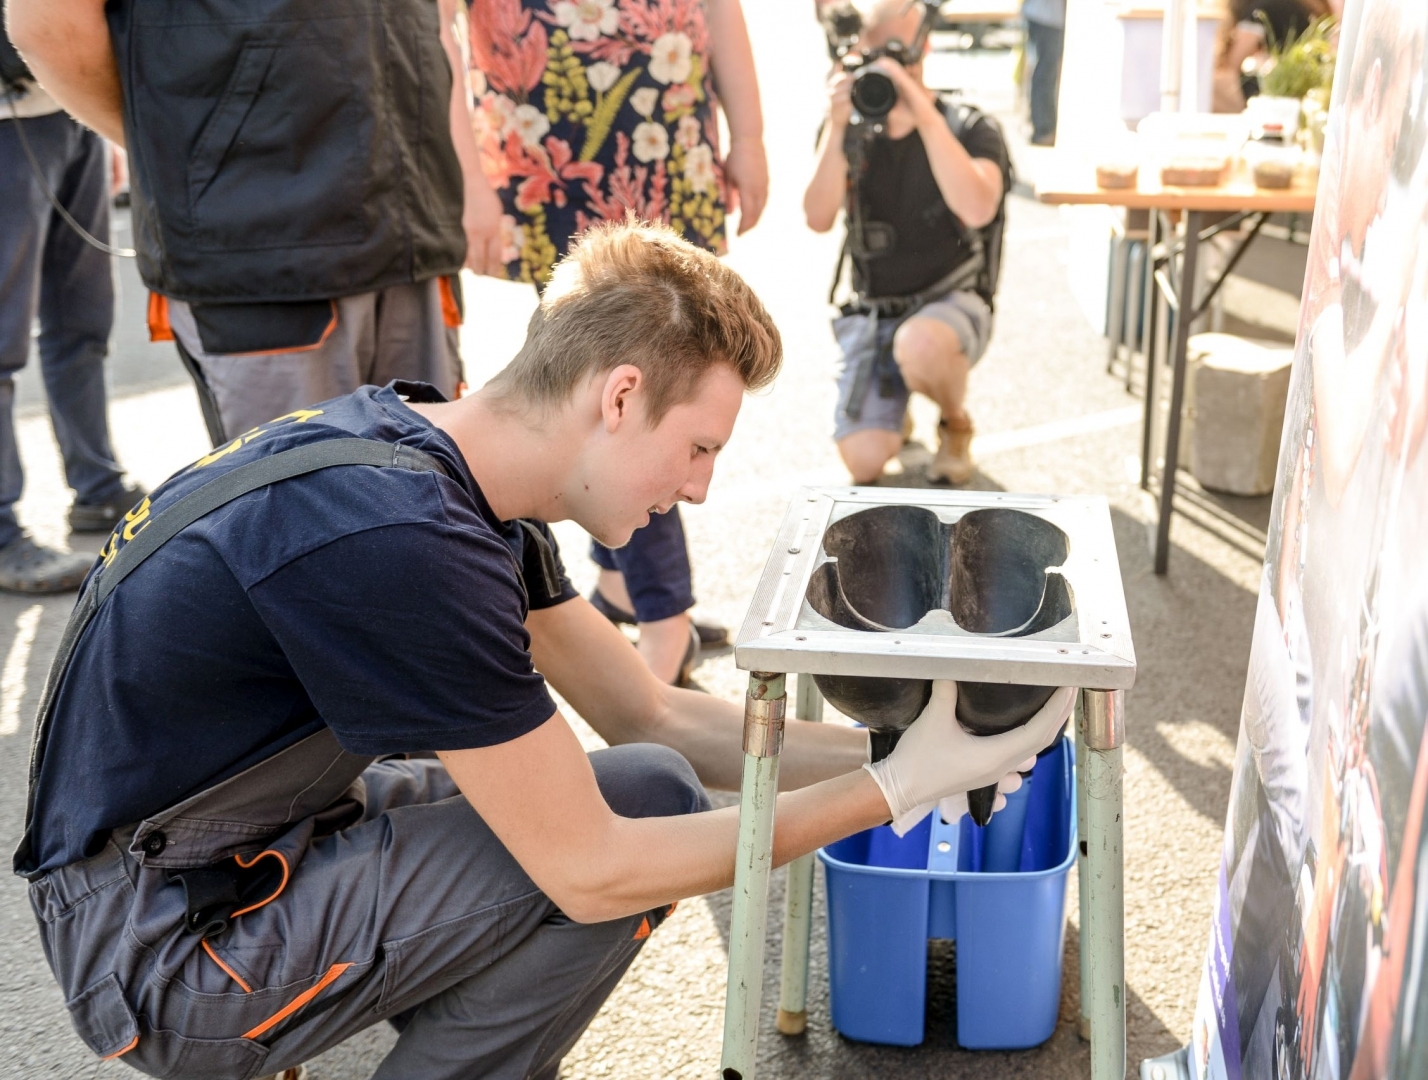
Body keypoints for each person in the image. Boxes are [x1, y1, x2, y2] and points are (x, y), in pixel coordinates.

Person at [12, 221, 1070, 1079]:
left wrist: (911, 750)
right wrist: (892, 794)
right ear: (617, 395)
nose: (698, 487)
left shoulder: (437, 459)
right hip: (161, 947)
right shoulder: (404, 542)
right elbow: (594, 872)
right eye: (698, 446)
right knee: (611, 850)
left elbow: (647, 713)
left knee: (648, 781)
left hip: (221, 848)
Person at [8, 0, 489, 450]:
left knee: (434, 502)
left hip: (413, 229)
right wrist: (172, 147)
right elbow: (48, 24)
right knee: (297, 513)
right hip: (261, 247)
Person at [466, 0, 770, 685]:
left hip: (664, 132)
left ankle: (627, 591)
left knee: (668, 388)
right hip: (557, 142)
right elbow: (436, 32)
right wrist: (462, 173)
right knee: (622, 397)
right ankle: (665, 620)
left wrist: (747, 135)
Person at [803, 0, 1011, 487]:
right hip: (876, 309)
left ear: (925, 48)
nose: (889, 71)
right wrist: (836, 126)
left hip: (949, 302)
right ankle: (896, 400)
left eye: (899, 56)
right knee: (863, 461)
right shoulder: (849, 130)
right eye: (877, 56)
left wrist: (920, 110)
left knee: (918, 346)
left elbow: (978, 206)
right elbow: (815, 217)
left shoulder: (968, 125)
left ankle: (955, 423)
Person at [0, 3, 143, 593]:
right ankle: (2, 534)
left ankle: (98, 489)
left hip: (62, 103)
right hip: (6, 121)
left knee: (83, 322)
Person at [1021, 0, 1065, 146]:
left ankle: (1040, 126)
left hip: (1043, 14)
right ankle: (1043, 129)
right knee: (1045, 73)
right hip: (1047, 16)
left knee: (1042, 71)